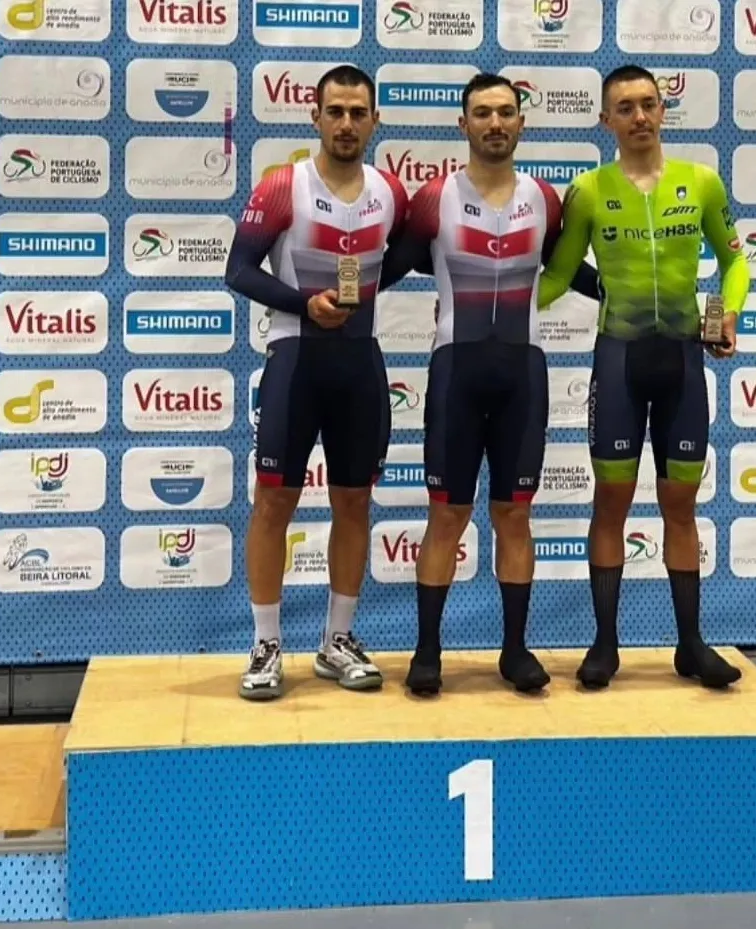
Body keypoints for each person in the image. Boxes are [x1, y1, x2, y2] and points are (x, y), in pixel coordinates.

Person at [378, 73, 602, 696]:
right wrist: (328, 298)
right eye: (483, 113)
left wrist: (641, 301)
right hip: (456, 373)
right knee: (446, 514)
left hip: (522, 377)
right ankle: (428, 651)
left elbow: (570, 270)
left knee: (513, 514)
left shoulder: (544, 199)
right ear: (464, 125)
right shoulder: (434, 198)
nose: (495, 123)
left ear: (521, 124)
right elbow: (389, 265)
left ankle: (515, 650)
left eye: (506, 112)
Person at [537, 64, 751, 691]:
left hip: (682, 362)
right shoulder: (587, 191)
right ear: (606, 120)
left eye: (648, 104)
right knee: (612, 503)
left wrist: (728, 314)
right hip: (620, 363)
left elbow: (736, 263)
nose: (639, 117)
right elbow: (558, 274)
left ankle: (691, 644)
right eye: (625, 108)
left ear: (663, 111)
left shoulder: (701, 182)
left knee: (680, 507)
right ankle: (605, 645)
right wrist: (497, 308)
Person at [222, 65, 410, 701]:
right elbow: (239, 270)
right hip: (295, 360)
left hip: (359, 364)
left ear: (375, 120)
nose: (346, 124)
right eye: (336, 112)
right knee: (274, 502)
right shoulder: (285, 185)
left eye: (358, 113)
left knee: (354, 502)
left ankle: (337, 640)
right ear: (316, 117)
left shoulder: (390, 192)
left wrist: (365, 292)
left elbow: (409, 254)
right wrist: (305, 304)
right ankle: (266, 644)